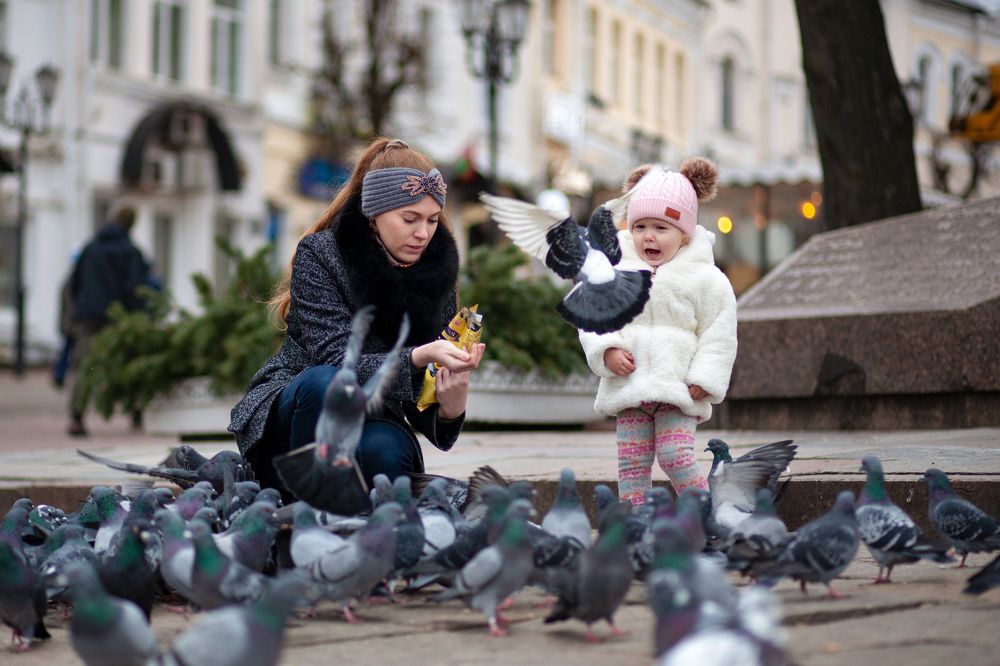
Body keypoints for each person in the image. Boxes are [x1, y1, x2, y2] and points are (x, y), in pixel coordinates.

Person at [229, 138, 486, 493]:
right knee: (327, 383)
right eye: (409, 218)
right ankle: (304, 511)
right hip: (301, 409)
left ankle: (365, 527)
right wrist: (418, 355)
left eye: (431, 220)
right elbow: (336, 361)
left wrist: (451, 404)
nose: (423, 233)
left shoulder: (435, 274)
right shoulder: (322, 254)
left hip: (372, 416)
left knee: (387, 452)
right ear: (373, 214)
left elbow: (427, 419)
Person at [578, 159, 738, 505]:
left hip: (677, 386)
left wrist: (705, 377)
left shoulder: (705, 279)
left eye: (661, 228)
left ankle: (709, 512)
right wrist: (607, 349)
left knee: (675, 455)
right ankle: (636, 524)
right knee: (632, 464)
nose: (648, 236)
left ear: (685, 234)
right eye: (640, 226)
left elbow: (719, 333)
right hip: (631, 387)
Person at [66, 205, 151, 436]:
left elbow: (74, 281)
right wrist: (137, 315)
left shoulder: (91, 247)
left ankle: (76, 417)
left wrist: (80, 306)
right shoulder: (130, 251)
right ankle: (135, 413)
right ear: (132, 224)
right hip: (118, 318)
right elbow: (135, 287)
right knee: (129, 364)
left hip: (88, 316)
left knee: (84, 366)